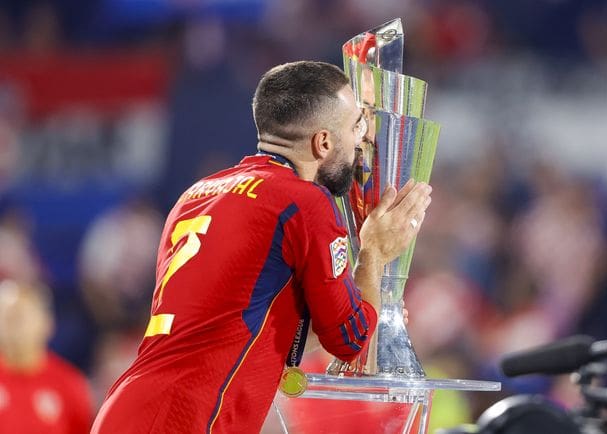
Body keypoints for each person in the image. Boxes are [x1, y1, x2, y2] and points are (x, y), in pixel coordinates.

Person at [91, 60, 432, 433]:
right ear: (323, 142)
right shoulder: (304, 202)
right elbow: (349, 341)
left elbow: (247, 329)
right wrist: (375, 255)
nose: (360, 141)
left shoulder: (196, 194)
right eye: (355, 127)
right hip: (190, 418)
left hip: (127, 408)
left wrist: (360, 304)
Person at [0, 279, 93, 434]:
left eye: (21, 317)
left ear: (47, 324)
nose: (14, 325)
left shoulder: (69, 384)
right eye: (7, 317)